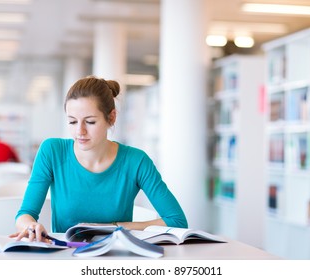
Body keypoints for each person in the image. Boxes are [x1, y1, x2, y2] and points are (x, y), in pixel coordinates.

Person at [13, 75, 187, 242]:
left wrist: (115, 226)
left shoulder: (136, 161)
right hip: (65, 256)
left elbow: (177, 221)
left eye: (90, 122)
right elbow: (25, 214)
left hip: (116, 258)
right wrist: (30, 226)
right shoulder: (52, 151)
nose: (79, 131)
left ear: (111, 117)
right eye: (72, 122)